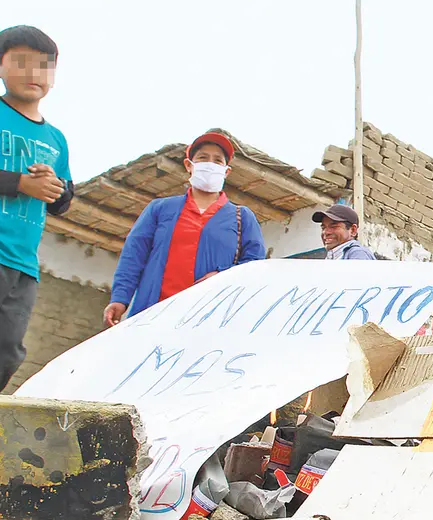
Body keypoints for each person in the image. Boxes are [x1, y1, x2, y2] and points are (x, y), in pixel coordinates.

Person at [103, 132, 265, 326]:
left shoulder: (242, 217)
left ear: (226, 171)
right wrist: (120, 298)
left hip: (208, 322)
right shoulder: (160, 209)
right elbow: (134, 255)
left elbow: (254, 265)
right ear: (189, 165)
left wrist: (222, 274)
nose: (210, 164)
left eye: (217, 161)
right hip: (152, 316)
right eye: (203, 158)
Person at [0, 26, 73, 390]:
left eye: (44, 67)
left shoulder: (56, 139)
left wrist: (51, 185)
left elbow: (63, 200)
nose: (34, 74)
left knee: (8, 353)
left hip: (23, 264)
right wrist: (20, 183)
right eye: (22, 63)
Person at [311, 203, 375, 260]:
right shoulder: (333, 257)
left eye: (333, 227)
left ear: (353, 230)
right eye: (323, 227)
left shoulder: (357, 253)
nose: (326, 232)